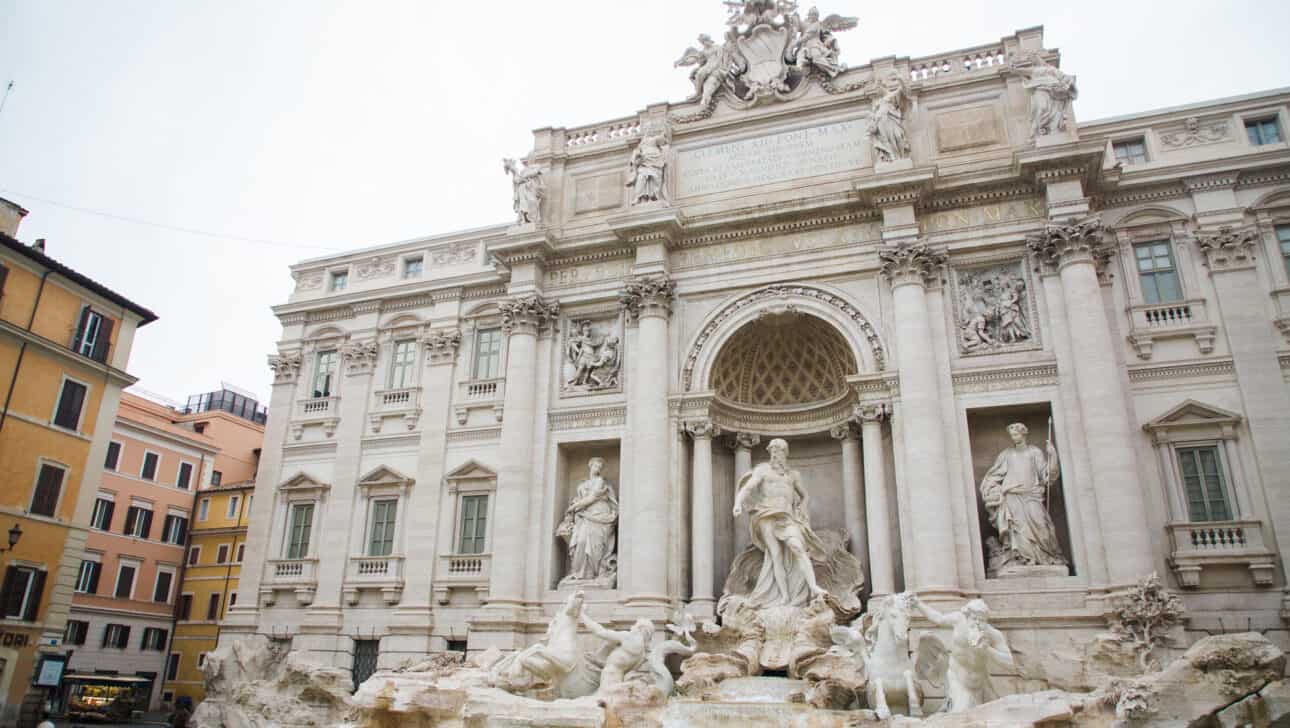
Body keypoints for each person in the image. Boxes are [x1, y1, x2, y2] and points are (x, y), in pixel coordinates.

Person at [732, 438, 829, 607]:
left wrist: (802, 509)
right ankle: (784, 597)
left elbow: (804, 495)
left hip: (787, 516)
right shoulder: (763, 470)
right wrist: (738, 503)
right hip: (766, 514)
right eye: (773, 450)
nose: (776, 454)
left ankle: (813, 587)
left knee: (798, 547)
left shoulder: (793, 475)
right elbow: (748, 488)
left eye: (780, 450)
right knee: (775, 555)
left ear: (786, 453)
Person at [979, 423, 1066, 569]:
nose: (1014, 438)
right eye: (1012, 435)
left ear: (1023, 434)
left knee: (1041, 525)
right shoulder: (1006, 454)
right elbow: (993, 476)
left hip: (1032, 496)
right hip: (1012, 496)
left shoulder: (1034, 452)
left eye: (1016, 434)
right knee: (1017, 529)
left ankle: (1046, 556)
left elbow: (1046, 476)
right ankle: (1025, 559)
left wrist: (1053, 455)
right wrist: (991, 489)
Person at [913, 597, 1014, 712]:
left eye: (981, 620)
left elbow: (1010, 664)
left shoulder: (992, 634)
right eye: (974, 618)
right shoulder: (958, 620)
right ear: (967, 616)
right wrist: (918, 603)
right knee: (962, 711)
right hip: (958, 679)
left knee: (997, 713)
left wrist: (988, 649)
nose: (977, 623)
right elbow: (938, 618)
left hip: (981, 682)